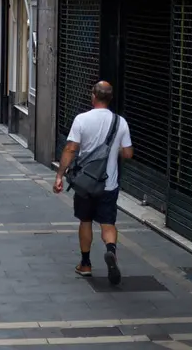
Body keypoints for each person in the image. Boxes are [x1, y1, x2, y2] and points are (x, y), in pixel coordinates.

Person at [54, 81, 133, 286]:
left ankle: (86, 264)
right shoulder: (120, 122)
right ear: (111, 98)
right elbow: (128, 153)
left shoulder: (82, 119)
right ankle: (111, 251)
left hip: (86, 184)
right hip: (109, 184)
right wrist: (113, 150)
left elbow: (71, 149)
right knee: (108, 224)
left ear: (93, 96)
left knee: (86, 220)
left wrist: (59, 175)